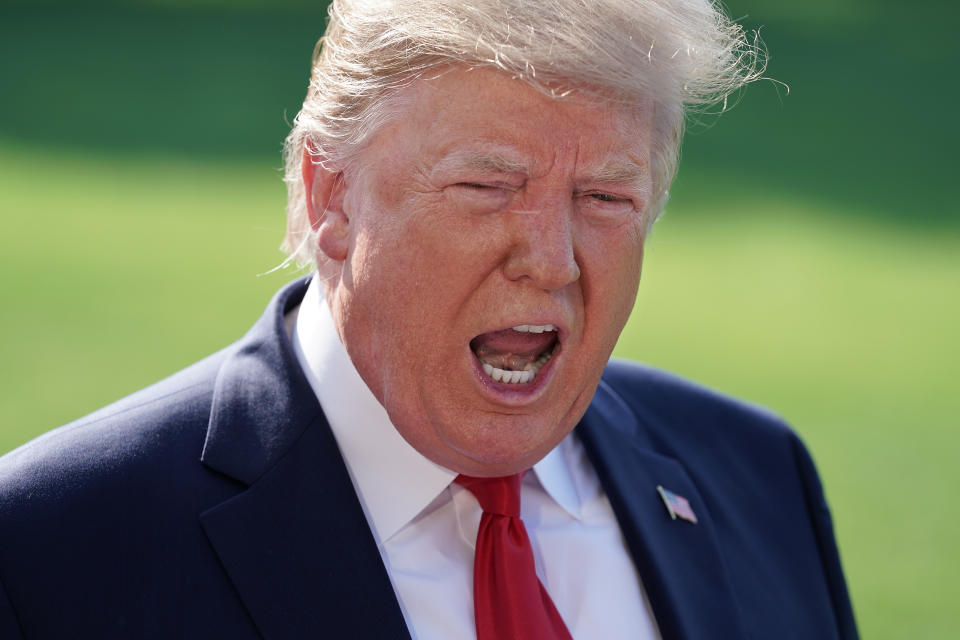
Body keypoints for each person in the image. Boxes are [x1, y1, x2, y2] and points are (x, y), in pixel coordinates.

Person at [0, 0, 858, 638]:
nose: (552, 259)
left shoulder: (759, 475)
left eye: (605, 197)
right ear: (330, 194)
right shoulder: (50, 547)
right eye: (487, 187)